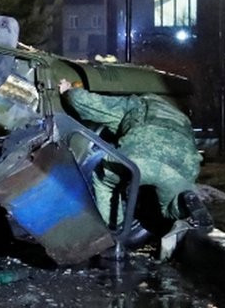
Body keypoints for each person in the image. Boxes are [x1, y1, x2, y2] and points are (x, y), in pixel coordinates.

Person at [58, 79, 213, 235]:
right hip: (182, 164)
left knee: (104, 181)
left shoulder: (135, 105)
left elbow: (85, 103)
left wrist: (68, 91)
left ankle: (115, 230)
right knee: (170, 206)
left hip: (140, 158)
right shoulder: (182, 118)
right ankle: (187, 203)